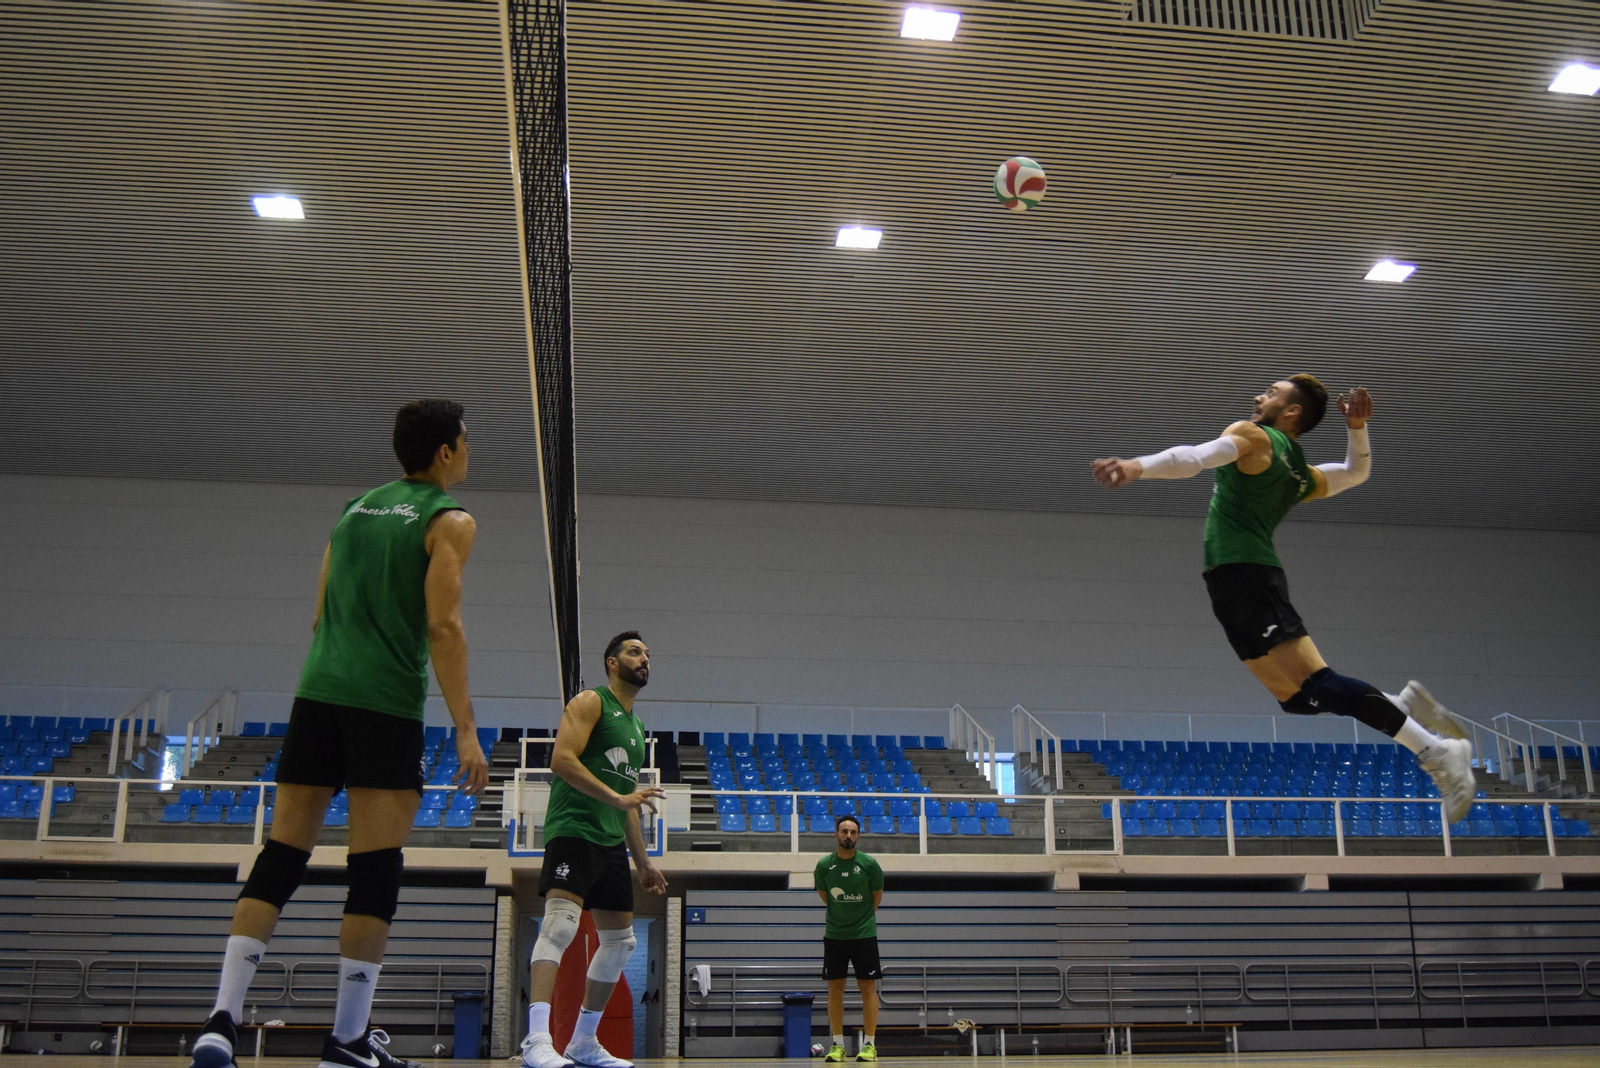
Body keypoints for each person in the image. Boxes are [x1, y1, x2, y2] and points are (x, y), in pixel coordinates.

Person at [188, 399, 490, 1068]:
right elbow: (443, 626)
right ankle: (347, 1042)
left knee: (281, 855)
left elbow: (321, 609)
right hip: (383, 705)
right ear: (443, 452)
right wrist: (466, 729)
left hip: (318, 694)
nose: (470, 451)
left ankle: (220, 1022)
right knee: (375, 871)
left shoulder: (355, 508)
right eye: (466, 441)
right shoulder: (451, 519)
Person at [1091, 378, 1477, 822]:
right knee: (1295, 699)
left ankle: (1439, 751)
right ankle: (1402, 703)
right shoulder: (1299, 473)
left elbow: (1195, 457)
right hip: (1233, 583)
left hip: (1247, 576)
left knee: (1318, 683)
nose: (1258, 397)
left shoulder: (1256, 437)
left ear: (1291, 412)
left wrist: (1138, 466)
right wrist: (1357, 428)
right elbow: (1355, 472)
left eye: (1271, 392)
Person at [520, 632, 668, 1068]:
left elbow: (626, 801)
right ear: (612, 662)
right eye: (634, 652)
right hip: (573, 831)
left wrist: (642, 862)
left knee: (621, 943)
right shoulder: (590, 703)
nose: (644, 659)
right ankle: (535, 1040)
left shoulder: (638, 728)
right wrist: (621, 799)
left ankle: (583, 1042)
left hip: (609, 844)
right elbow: (561, 760)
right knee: (560, 929)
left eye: (647, 653)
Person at [815, 814, 884, 1063]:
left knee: (868, 987)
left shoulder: (869, 864)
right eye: (844, 831)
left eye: (853, 832)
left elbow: (876, 897)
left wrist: (861, 919)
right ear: (836, 834)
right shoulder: (824, 866)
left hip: (864, 934)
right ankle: (837, 1045)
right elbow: (826, 896)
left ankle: (869, 1045)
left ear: (858, 836)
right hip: (835, 935)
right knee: (835, 989)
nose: (848, 836)